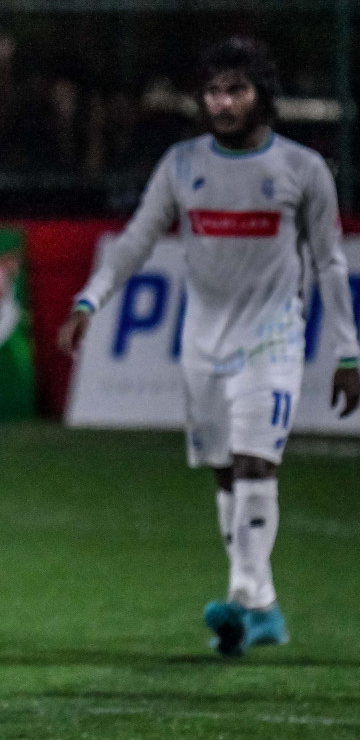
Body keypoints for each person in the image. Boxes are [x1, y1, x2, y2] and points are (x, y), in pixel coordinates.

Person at [59, 36, 360, 656]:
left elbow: (330, 263)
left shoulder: (303, 170)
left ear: (262, 97)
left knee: (256, 464)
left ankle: (241, 595)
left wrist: (349, 351)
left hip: (273, 340)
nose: (223, 103)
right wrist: (89, 300)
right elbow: (138, 239)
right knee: (226, 473)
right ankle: (263, 608)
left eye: (237, 91)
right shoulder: (181, 163)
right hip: (201, 344)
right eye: (214, 91)